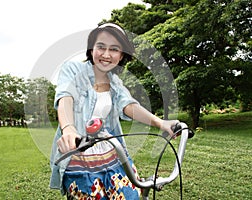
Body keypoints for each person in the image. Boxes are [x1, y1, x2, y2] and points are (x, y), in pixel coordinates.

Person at [50, 23, 178, 199]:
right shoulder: (73, 69)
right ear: (91, 48)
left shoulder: (116, 83)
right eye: (100, 47)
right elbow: (65, 96)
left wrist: (160, 123)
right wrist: (69, 129)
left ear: (121, 55)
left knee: (132, 195)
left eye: (114, 49)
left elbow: (129, 106)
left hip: (112, 154)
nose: (106, 54)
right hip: (80, 157)